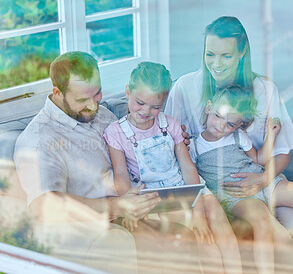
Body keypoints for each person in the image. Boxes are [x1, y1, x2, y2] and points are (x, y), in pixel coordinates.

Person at [14, 52, 201, 273]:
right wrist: (117, 206)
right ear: (57, 93)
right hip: (94, 225)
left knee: (187, 237)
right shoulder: (39, 140)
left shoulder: (100, 114)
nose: (93, 106)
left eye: (97, 94)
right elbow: (43, 206)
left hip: (134, 206)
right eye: (83, 100)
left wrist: (173, 138)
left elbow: (136, 130)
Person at [164, 16, 293, 266]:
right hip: (226, 189)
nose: (216, 64)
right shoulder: (185, 88)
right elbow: (171, 148)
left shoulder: (264, 89)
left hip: (263, 178)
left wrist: (263, 179)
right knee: (282, 238)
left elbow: (282, 153)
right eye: (210, 54)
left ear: (242, 52)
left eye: (226, 56)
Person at [103, 61, 242, 274]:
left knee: (223, 231)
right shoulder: (116, 132)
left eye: (156, 106)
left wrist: (197, 209)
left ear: (164, 102)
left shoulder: (171, 124)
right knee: (206, 243)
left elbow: (187, 167)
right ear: (127, 92)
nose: (146, 111)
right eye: (140, 102)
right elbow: (121, 174)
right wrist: (128, 205)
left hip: (191, 188)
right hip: (161, 197)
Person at [190, 85, 293, 274]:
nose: (221, 126)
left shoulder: (239, 137)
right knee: (262, 221)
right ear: (208, 107)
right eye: (218, 116)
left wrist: (272, 135)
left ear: (239, 125)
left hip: (261, 179)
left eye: (230, 124)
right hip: (237, 195)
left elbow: (259, 160)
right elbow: (190, 177)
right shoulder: (194, 145)